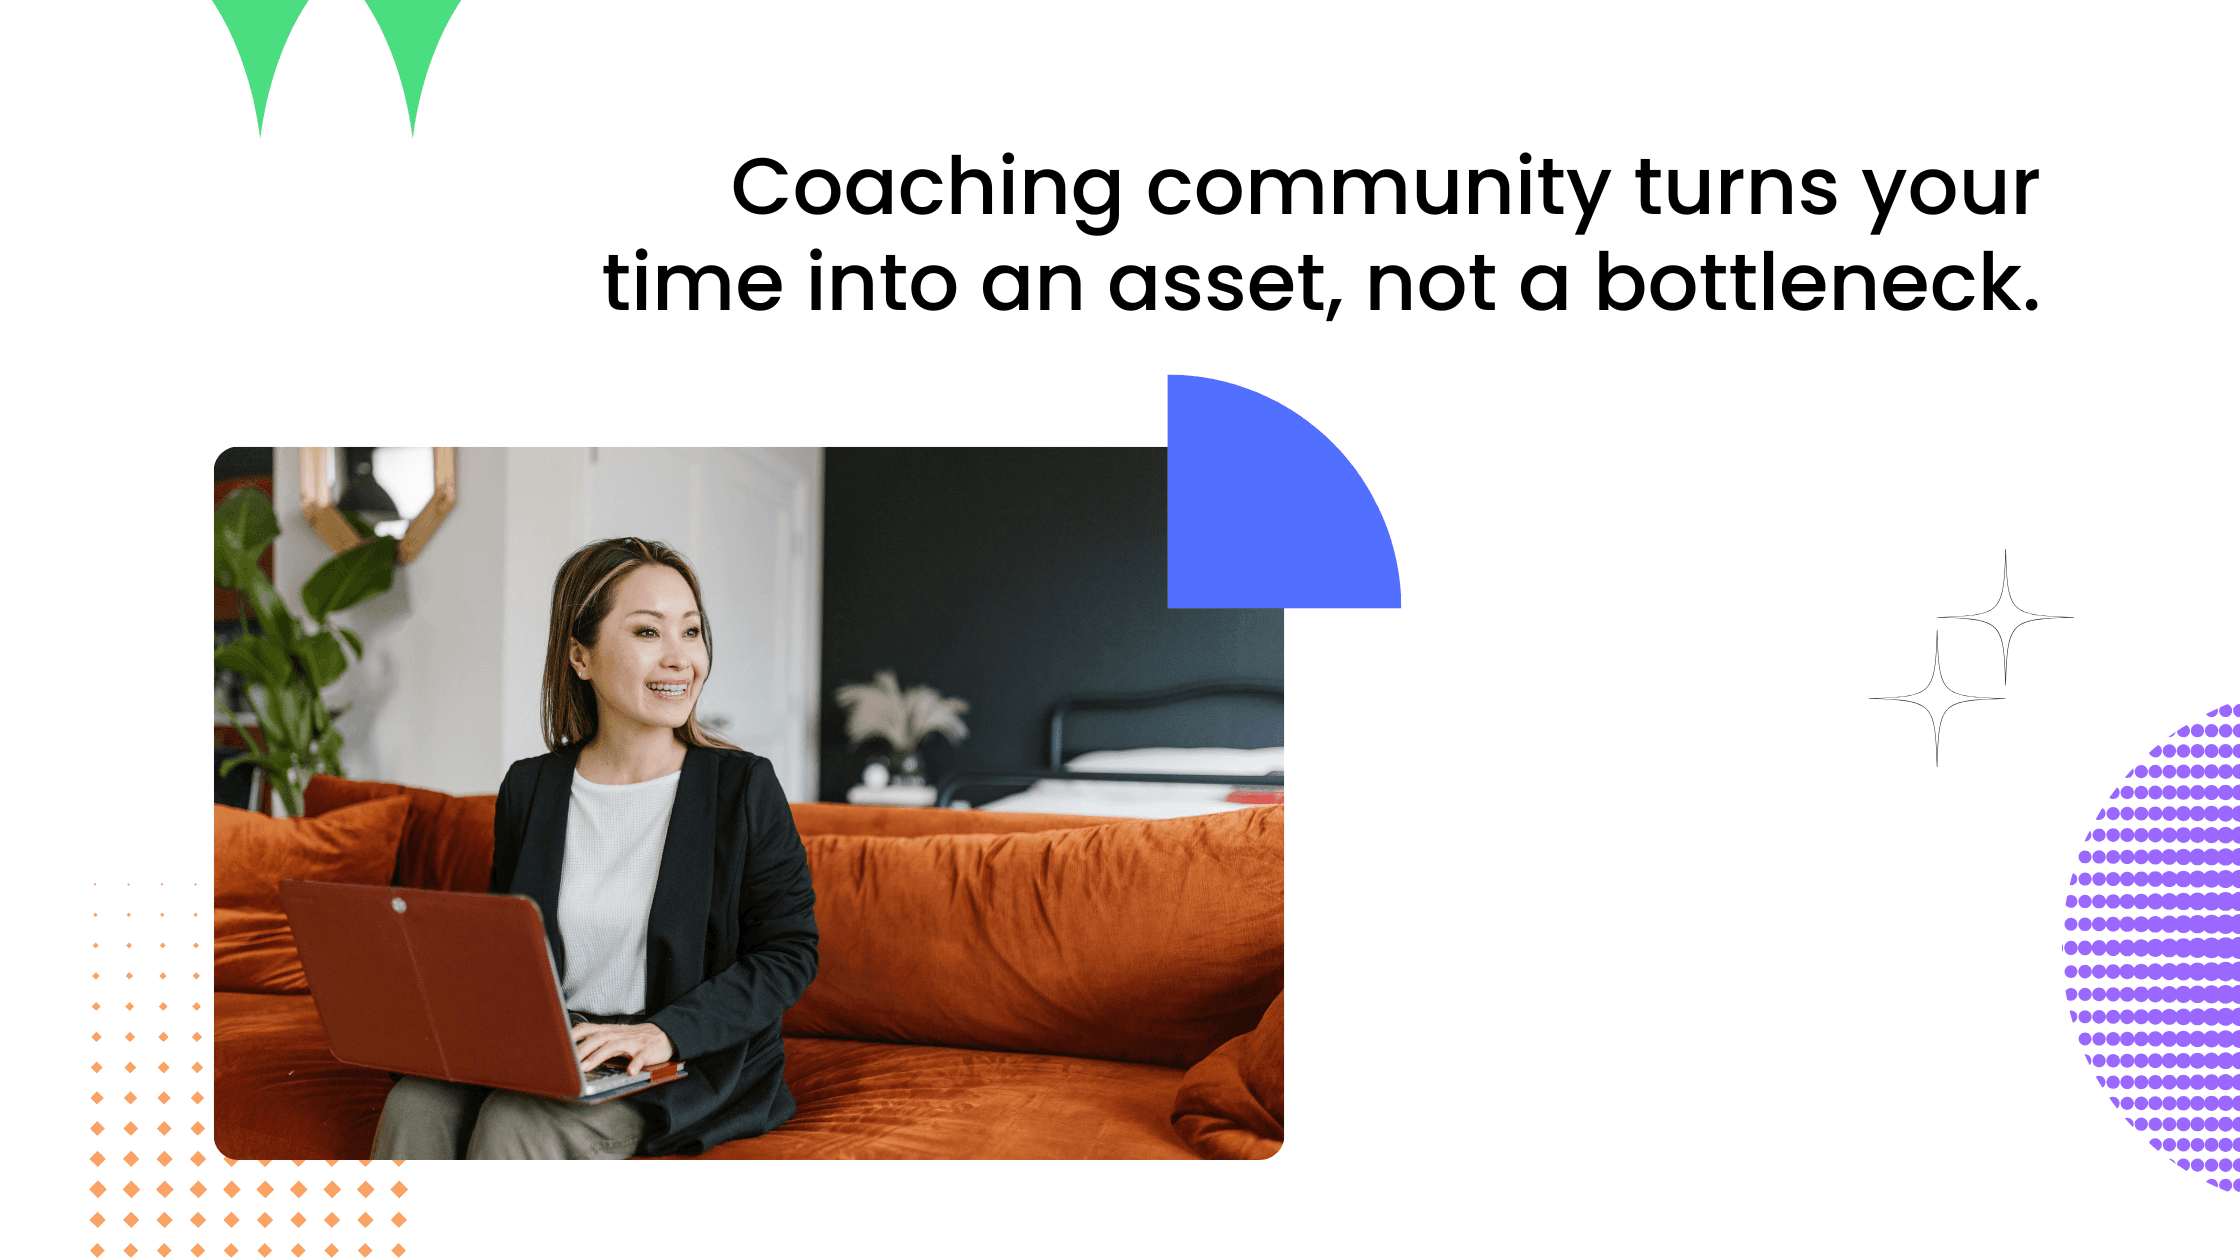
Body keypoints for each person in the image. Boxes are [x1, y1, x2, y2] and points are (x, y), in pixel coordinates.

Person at [369, 537, 819, 1159]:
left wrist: (664, 1033)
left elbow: (789, 951)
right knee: (414, 1101)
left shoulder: (741, 787)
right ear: (580, 656)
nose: (679, 658)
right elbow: (511, 951)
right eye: (647, 633)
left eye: (691, 632)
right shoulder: (531, 788)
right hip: (553, 1045)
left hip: (678, 1060)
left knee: (518, 1121)